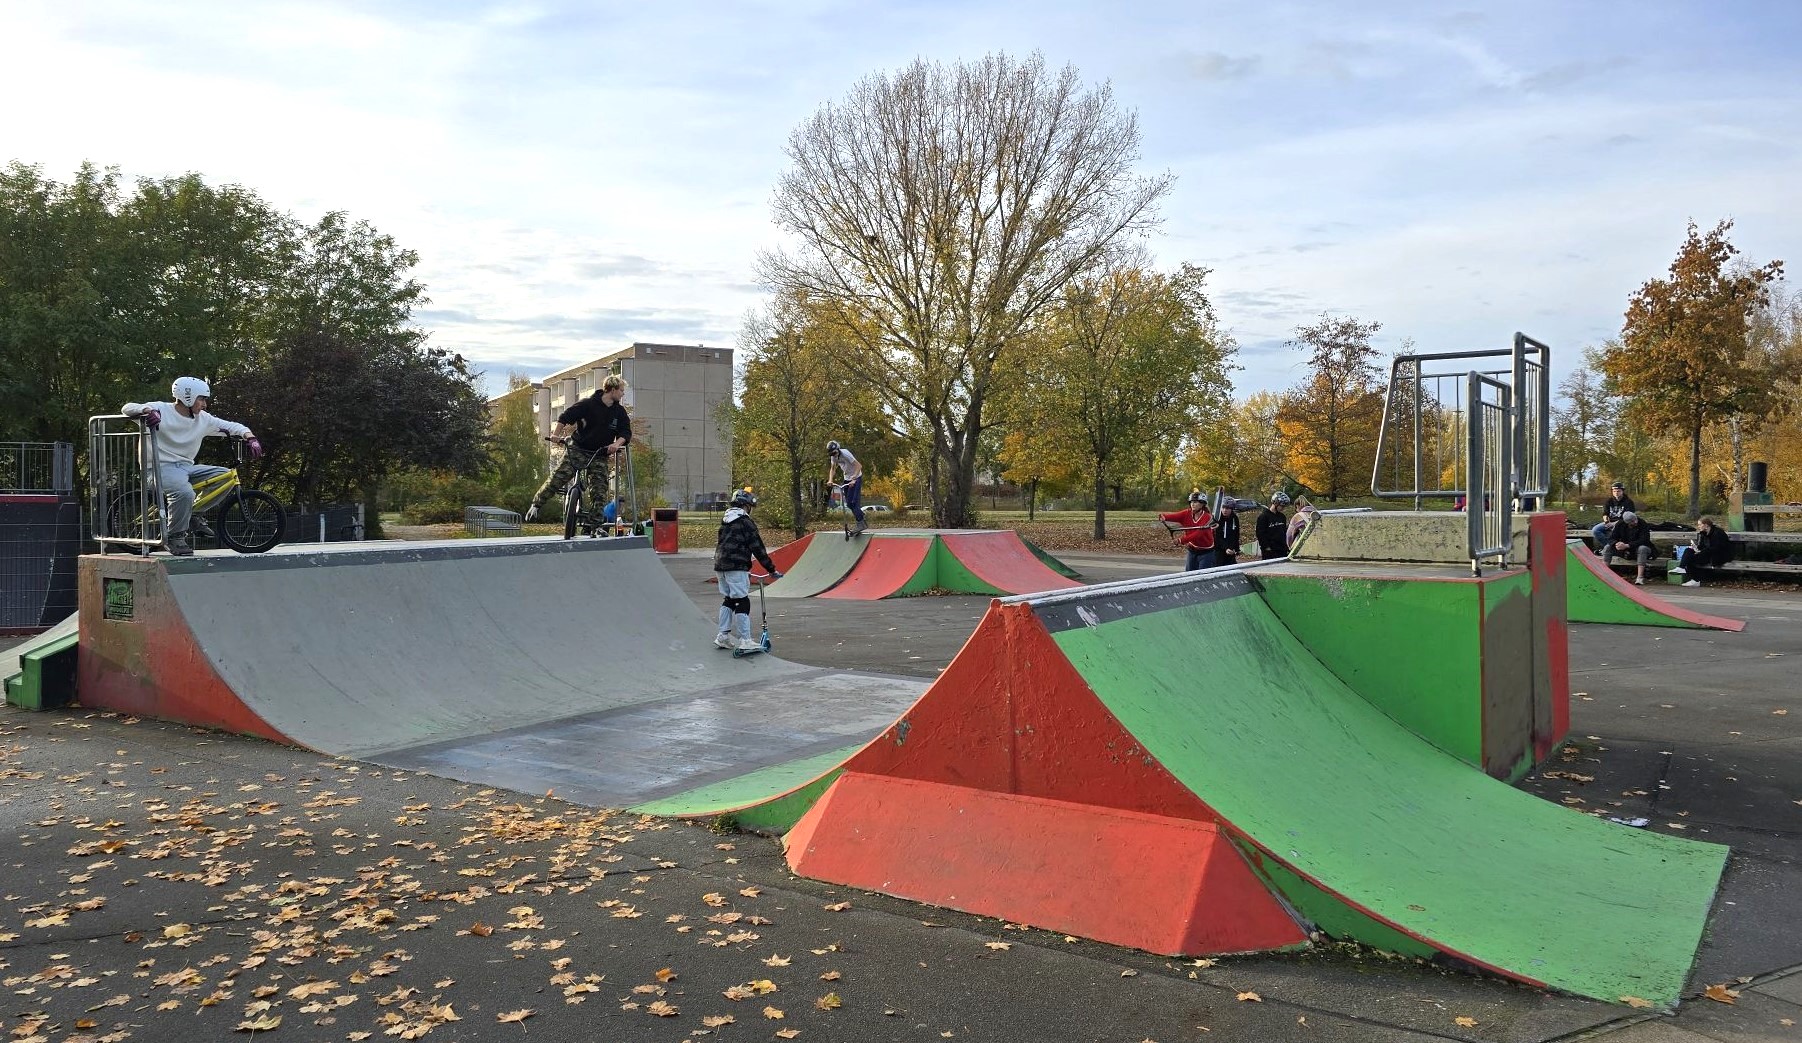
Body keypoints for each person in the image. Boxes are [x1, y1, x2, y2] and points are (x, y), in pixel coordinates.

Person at [122, 377, 258, 557]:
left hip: (186, 467)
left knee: (226, 476)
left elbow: (232, 426)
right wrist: (146, 411)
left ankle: (194, 513)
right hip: (158, 469)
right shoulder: (160, 409)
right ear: (188, 397)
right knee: (185, 493)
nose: (205, 405)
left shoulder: (203, 419)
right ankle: (175, 537)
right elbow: (127, 408)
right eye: (201, 399)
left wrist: (250, 437)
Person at [525, 375, 632, 528]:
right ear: (613, 390)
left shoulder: (619, 412)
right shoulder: (588, 404)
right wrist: (555, 435)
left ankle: (594, 526)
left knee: (599, 490)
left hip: (599, 454)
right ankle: (536, 504)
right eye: (621, 390)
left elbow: (625, 432)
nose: (623, 394)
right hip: (578, 448)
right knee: (559, 476)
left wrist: (616, 443)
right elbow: (565, 417)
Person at [713, 488, 782, 651]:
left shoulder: (725, 520)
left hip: (720, 565)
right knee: (742, 600)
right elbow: (757, 547)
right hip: (736, 566)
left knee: (729, 599)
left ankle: (722, 636)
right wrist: (771, 569)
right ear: (746, 506)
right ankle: (745, 640)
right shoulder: (745, 522)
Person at [1159, 491, 1217, 571]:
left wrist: (1181, 540)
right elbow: (1175, 516)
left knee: (1203, 575)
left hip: (1206, 552)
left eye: (1195, 502)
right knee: (1189, 574)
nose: (1193, 504)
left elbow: (1198, 534)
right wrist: (1164, 517)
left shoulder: (1207, 517)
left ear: (1202, 504)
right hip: (1192, 550)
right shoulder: (1187, 513)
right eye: (1191, 502)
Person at [1671, 516, 1732, 587]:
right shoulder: (1703, 533)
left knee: (1691, 558)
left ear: (1706, 525)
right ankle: (1681, 568)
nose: (1698, 526)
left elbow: (1718, 548)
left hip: (1717, 556)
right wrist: (1695, 548)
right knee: (1688, 550)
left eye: (1700, 525)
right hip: (1706, 553)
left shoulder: (1718, 532)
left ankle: (1695, 580)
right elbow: (1701, 546)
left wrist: (1701, 551)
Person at [1601, 510, 1655, 585]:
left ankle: (1640, 577)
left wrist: (1627, 545)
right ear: (1627, 522)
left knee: (1642, 549)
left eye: (1635, 519)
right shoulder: (1620, 524)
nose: (1635, 522)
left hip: (1639, 547)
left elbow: (1644, 540)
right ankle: (1604, 574)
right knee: (1607, 547)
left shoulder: (1642, 523)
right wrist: (1617, 544)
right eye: (1632, 521)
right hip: (1624, 548)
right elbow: (1611, 538)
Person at [826, 439, 868, 535]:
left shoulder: (845, 454)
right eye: (831, 454)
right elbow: (832, 469)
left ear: (838, 449)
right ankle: (861, 516)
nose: (833, 455)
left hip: (856, 477)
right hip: (847, 478)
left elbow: (859, 466)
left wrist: (854, 478)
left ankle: (861, 523)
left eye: (834, 453)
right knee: (849, 503)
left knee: (853, 502)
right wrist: (830, 480)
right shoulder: (833, 457)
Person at [1591, 482, 1636, 550]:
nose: (1616, 493)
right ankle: (1611, 547)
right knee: (1595, 530)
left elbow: (1628, 518)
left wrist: (1614, 524)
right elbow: (1605, 514)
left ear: (1622, 491)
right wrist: (1607, 522)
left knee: (1617, 532)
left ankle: (1616, 548)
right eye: (1614, 491)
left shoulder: (1628, 502)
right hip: (1610, 522)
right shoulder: (1609, 501)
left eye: (1618, 491)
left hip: (1623, 523)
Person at [1255, 491, 1291, 560]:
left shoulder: (1282, 517)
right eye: (1282, 506)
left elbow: (1284, 532)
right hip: (1270, 552)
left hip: (1282, 550)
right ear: (1275, 503)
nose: (1283, 508)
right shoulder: (1264, 516)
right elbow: (1260, 534)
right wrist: (1266, 547)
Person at [1213, 494, 1242, 567]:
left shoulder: (1234, 518)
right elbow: (1217, 536)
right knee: (1219, 568)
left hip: (1230, 550)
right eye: (1223, 508)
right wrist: (1225, 548)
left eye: (1227, 508)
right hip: (1219, 550)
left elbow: (1236, 534)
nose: (1224, 510)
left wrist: (1236, 548)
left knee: (1233, 569)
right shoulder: (1217, 518)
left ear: (1232, 509)